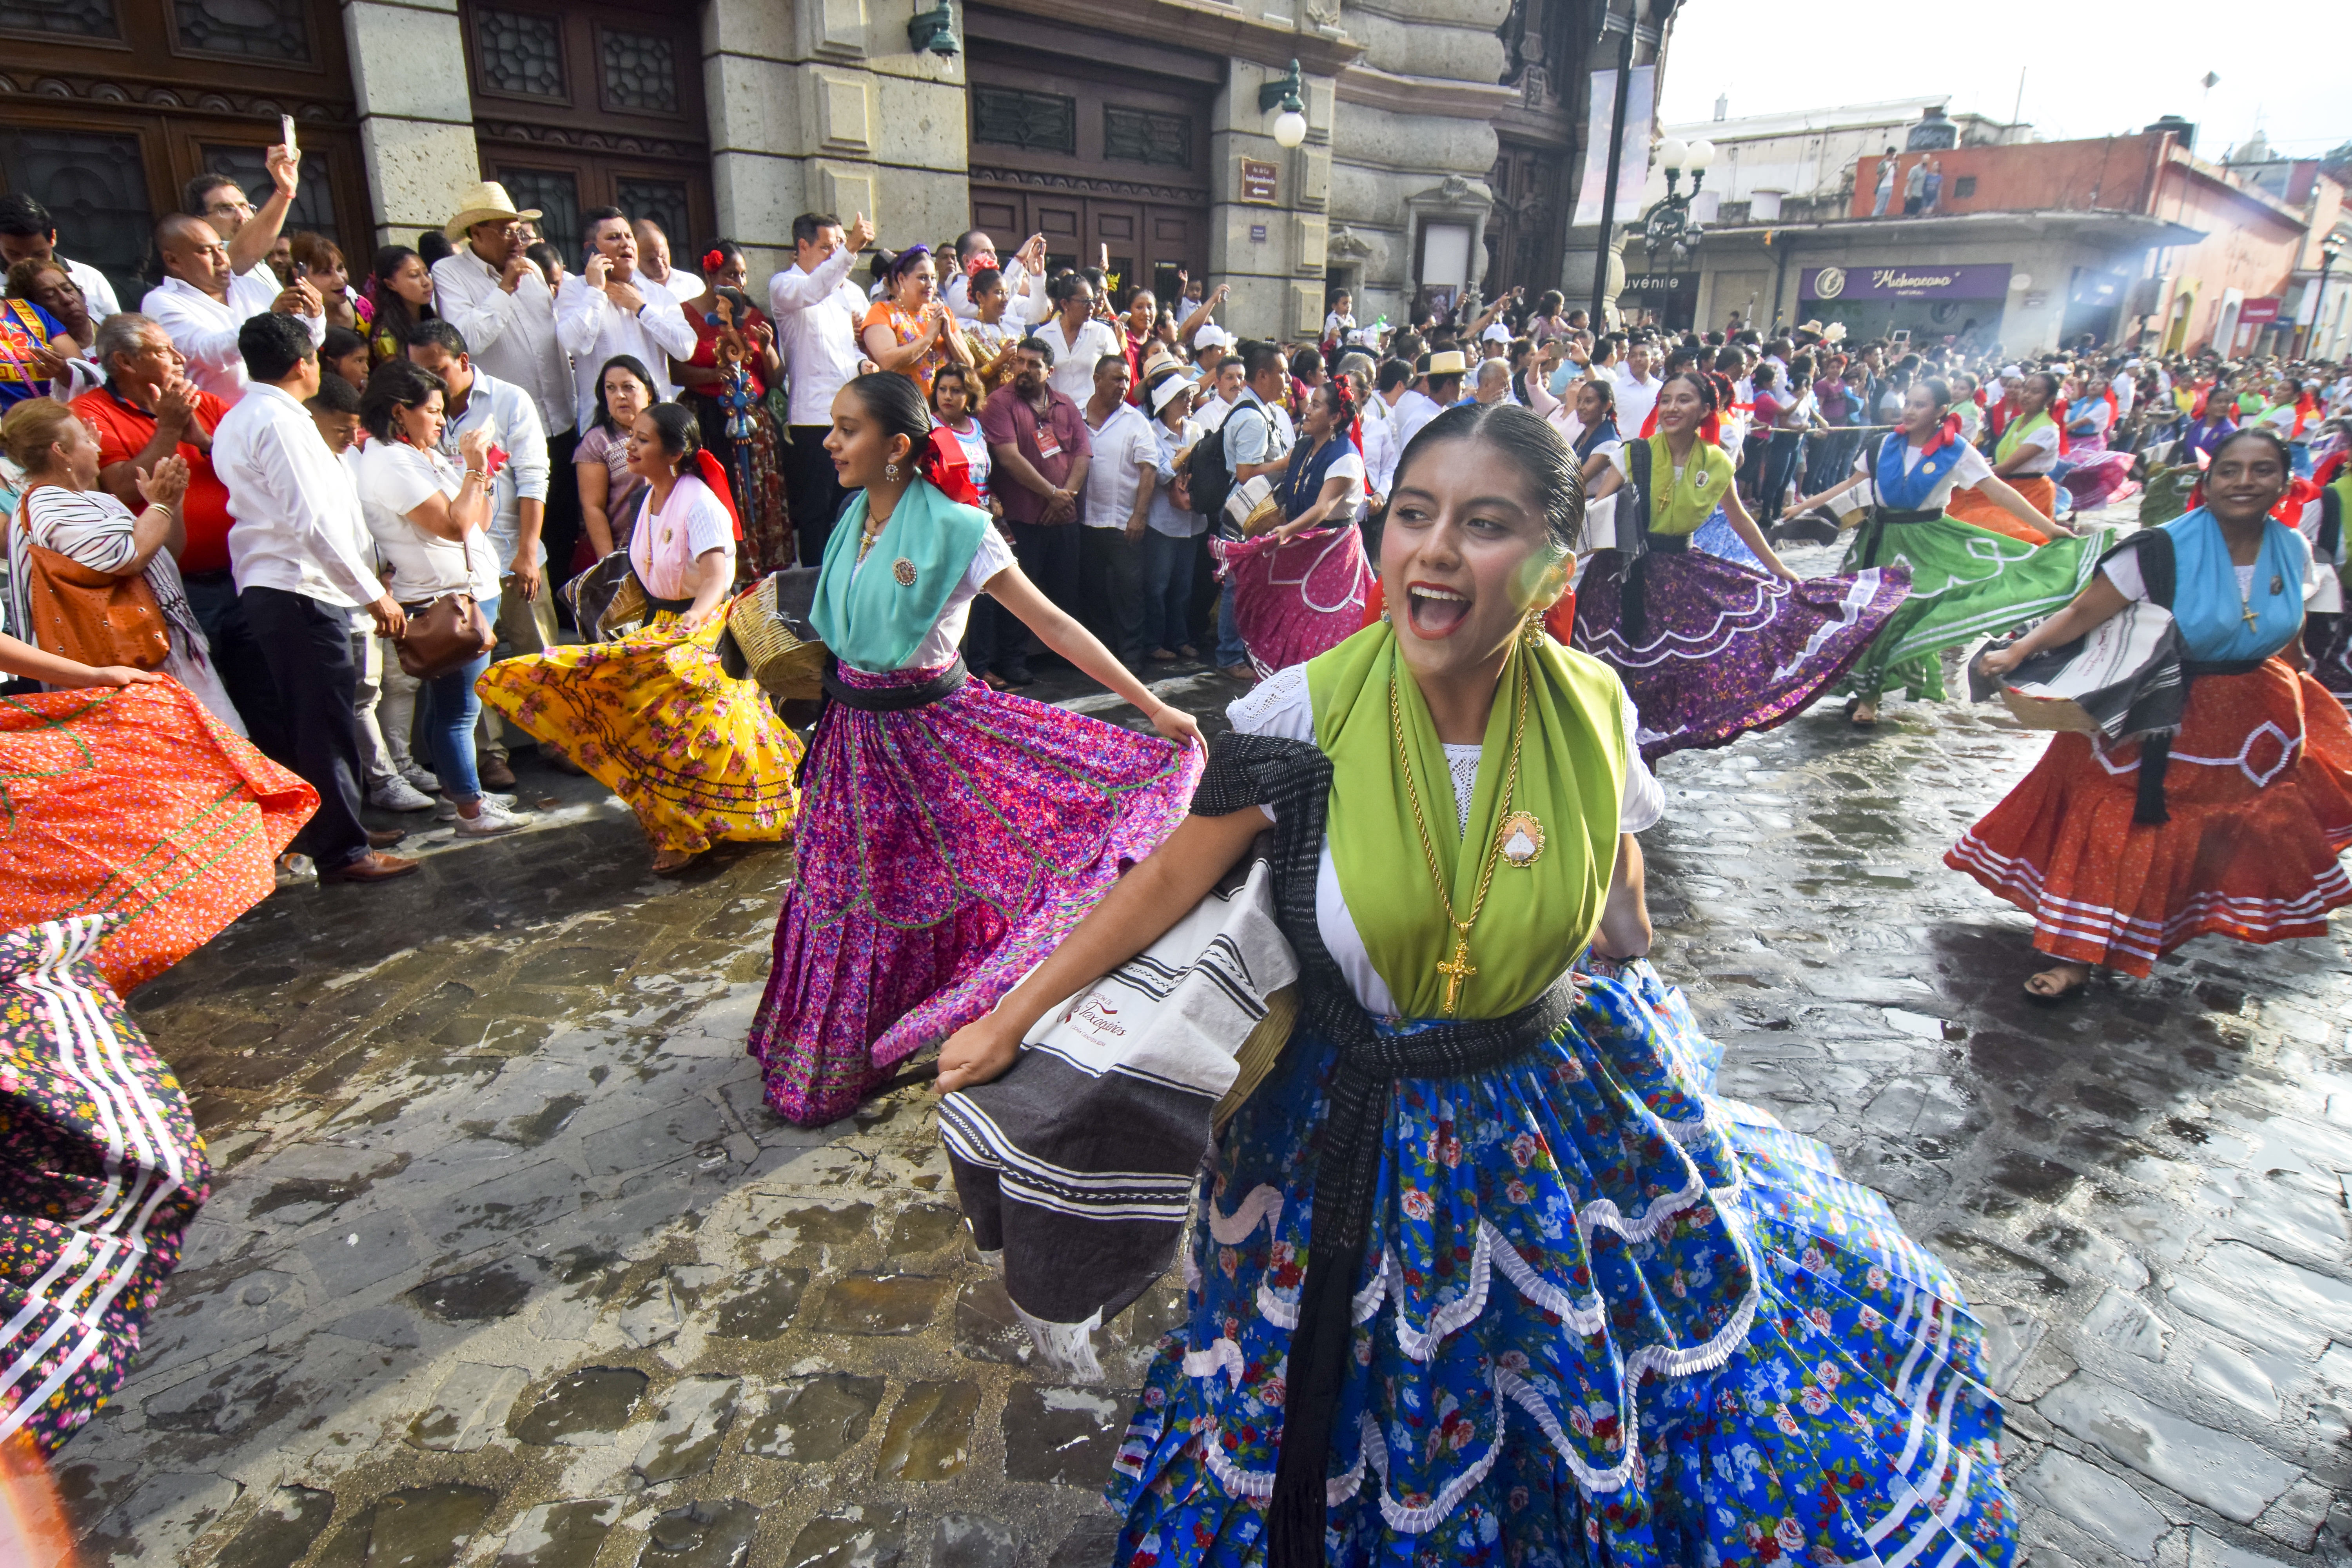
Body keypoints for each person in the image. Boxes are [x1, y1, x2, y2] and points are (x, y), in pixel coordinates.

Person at [932, 399, 2018, 1568]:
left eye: (1485, 524)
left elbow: (1619, 863)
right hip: (1338, 1120)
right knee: (1343, 1380)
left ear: (1555, 563)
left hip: (1538, 1100)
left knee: (1546, 1360)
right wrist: (1012, 1013)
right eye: (1413, 514)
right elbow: (1162, 880)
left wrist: (1623, 930)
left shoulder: (1593, 706)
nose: (1435, 550)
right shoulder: (1298, 716)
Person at [743, 371, 1203, 1125]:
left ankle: (920, 1027)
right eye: (833, 426)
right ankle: (829, 1054)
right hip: (851, 742)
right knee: (838, 894)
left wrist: (1150, 706)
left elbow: (1052, 624)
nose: (829, 443)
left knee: (916, 894)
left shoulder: (963, 531)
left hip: (932, 743)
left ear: (897, 446)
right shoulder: (853, 516)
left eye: (848, 429)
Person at [1956, 428, 2352, 999]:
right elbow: (2083, 613)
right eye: (2230, 470)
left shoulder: (2293, 549)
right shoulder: (2159, 550)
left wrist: (2300, 683)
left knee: (2223, 822)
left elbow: (2290, 630)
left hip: (2253, 718)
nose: (2244, 482)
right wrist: (2019, 652)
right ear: (2206, 483)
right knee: (2123, 819)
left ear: (2286, 483)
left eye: (2262, 470)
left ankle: (2168, 923)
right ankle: (2074, 953)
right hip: (2158, 706)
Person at [480, 403, 803, 873]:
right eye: (632, 436)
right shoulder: (647, 499)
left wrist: (694, 618)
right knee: (663, 734)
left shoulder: (700, 503)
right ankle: (683, 828)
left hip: (703, 631)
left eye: (643, 440)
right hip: (664, 624)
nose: (629, 447)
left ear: (675, 453)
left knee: (692, 738)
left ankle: (703, 826)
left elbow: (718, 576)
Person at [1577, 369, 1908, 759]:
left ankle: (1643, 761)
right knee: (1611, 672)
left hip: (1679, 577)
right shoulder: (1634, 453)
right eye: (1665, 400)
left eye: (1683, 400)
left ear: (1705, 409)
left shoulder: (1717, 462)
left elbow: (1740, 519)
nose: (1671, 408)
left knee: (1665, 676)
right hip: (1618, 575)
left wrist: (1777, 568)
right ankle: (1610, 757)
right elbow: (1599, 512)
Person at [211, 313, 418, 884]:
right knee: (323, 723)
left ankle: (340, 829)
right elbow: (312, 522)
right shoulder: (279, 421)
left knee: (316, 720)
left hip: (280, 585)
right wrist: (372, 594)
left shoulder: (243, 416)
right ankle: (344, 851)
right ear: (304, 364)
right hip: (297, 587)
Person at [1788, 377, 2094, 725]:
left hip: (1926, 543)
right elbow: (1850, 485)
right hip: (1877, 538)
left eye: (1920, 405)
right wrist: (1803, 507)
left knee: (1901, 614)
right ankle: (1865, 692)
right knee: (1862, 613)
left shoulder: (1956, 450)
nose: (1910, 411)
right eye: (1908, 403)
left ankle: (1870, 696)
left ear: (1941, 411)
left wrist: (2050, 529)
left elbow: (1997, 490)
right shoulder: (1882, 445)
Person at [351, 358, 523, 837]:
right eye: (432, 411)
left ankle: (457, 795)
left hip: (467, 592)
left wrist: (483, 475)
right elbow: (452, 526)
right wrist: (473, 467)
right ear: (399, 412)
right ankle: (470, 809)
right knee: (459, 711)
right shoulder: (389, 461)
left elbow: (477, 522)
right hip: (443, 600)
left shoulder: (419, 454)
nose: (442, 422)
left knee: (450, 706)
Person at [0, 399, 245, 733]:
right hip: (119, 665)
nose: (96, 447)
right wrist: (159, 506)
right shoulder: (49, 504)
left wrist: (170, 504)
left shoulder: (95, 499)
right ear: (61, 452)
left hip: (156, 654)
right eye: (85, 440)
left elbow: (166, 553)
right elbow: (128, 557)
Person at [403, 319, 552, 787]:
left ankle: (557, 740)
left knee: (538, 655)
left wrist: (528, 550)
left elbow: (533, 477)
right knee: (473, 663)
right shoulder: (418, 414)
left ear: (463, 361)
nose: (429, 381)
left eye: (438, 370)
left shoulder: (509, 400)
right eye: (419, 372)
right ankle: (490, 757)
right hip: (458, 567)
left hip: (513, 551)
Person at [432, 183, 583, 591]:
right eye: (505, 230)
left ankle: (566, 605)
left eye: (519, 230)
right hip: (506, 428)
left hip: (559, 420)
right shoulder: (450, 273)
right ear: (476, 233)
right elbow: (466, 339)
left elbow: (552, 341)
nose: (517, 240)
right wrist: (503, 290)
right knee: (520, 524)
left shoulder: (532, 270)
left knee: (565, 522)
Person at [769, 210, 879, 566]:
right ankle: (815, 585)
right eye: (828, 247)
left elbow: (849, 350)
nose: (836, 255)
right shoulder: (786, 285)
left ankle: (853, 575)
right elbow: (813, 290)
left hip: (853, 412)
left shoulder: (845, 292)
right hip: (814, 416)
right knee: (816, 510)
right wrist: (851, 249)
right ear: (803, 246)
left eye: (839, 246)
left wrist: (862, 363)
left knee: (853, 503)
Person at [676, 243, 792, 577]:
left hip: (753, 423)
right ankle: (722, 573)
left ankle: (761, 575)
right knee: (718, 492)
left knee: (757, 496)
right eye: (730, 274)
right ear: (709, 274)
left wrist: (767, 348)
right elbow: (675, 370)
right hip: (708, 418)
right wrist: (714, 375)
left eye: (742, 275)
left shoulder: (753, 317)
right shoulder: (686, 315)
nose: (739, 282)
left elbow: (775, 378)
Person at [141, 214, 324, 405]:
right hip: (219, 417)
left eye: (221, 248)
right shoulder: (161, 301)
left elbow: (305, 348)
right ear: (173, 261)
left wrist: (313, 316)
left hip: (282, 407)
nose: (221, 259)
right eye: (206, 252)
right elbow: (208, 353)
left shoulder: (252, 287)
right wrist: (270, 319)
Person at [981, 338, 1092, 639]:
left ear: (1049, 371)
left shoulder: (1066, 404)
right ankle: (1013, 660)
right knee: (1020, 602)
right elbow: (1009, 458)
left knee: (1065, 596)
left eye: (1034, 364)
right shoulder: (999, 403)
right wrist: (1053, 495)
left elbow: (1083, 455)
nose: (1024, 369)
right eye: (1020, 361)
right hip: (1022, 520)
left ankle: (1068, 659)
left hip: (1064, 520)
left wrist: (1064, 499)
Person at [556, 209, 697, 443]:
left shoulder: (658, 295)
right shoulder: (576, 291)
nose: (625, 244)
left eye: (629, 236)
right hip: (603, 432)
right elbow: (575, 344)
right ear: (591, 250)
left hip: (657, 428)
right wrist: (595, 291)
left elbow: (685, 349)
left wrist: (641, 309)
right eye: (614, 237)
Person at [1949, 368, 2068, 538]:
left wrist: (1970, 474)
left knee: (2011, 535)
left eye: (2035, 392)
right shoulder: (2016, 422)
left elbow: (2007, 467)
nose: (2026, 396)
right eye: (2025, 390)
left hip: (2028, 491)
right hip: (2005, 483)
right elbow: (1999, 459)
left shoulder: (2047, 430)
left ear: (2049, 399)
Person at [1140, 371, 1203, 662]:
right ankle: (1154, 642)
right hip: (1162, 522)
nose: (1189, 400)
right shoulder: (1151, 432)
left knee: (1184, 587)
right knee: (1157, 586)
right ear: (1166, 403)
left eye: (1190, 395)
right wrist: (1185, 455)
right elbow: (1159, 475)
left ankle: (1180, 640)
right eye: (1182, 396)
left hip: (1192, 522)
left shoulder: (1196, 429)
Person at [573, 355, 658, 565]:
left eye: (628, 387)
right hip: (626, 554)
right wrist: (611, 565)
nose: (620, 395)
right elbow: (593, 508)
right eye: (611, 388)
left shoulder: (667, 431)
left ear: (648, 392)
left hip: (672, 546)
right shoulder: (597, 442)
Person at [861, 244, 970, 403]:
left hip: (944, 408)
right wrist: (928, 339)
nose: (930, 284)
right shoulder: (882, 312)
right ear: (902, 279)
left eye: (933, 278)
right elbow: (887, 362)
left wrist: (948, 336)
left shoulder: (943, 313)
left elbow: (968, 364)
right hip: (903, 406)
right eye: (923, 278)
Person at [0, 194, 121, 320]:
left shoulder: (90, 279)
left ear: (53, 237)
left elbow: (118, 329)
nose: (27, 263)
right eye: (14, 254)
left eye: (38, 254)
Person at [364, 245, 436, 367]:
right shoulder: (387, 335)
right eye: (414, 275)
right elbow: (400, 377)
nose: (426, 282)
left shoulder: (432, 319)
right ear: (391, 284)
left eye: (426, 273)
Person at [287, 233, 369, 334]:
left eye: (340, 268)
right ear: (299, 275)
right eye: (326, 272)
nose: (340, 280)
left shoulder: (363, 306)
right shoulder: (295, 325)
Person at [632, 218, 700, 303]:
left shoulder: (693, 283)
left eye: (663, 256)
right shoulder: (631, 290)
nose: (660, 263)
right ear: (636, 257)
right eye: (651, 260)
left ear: (668, 248)